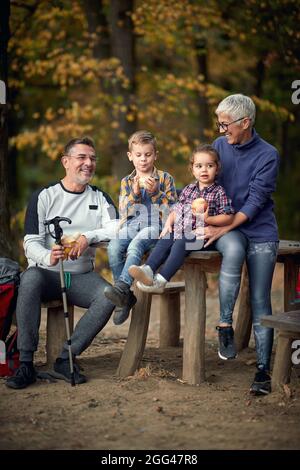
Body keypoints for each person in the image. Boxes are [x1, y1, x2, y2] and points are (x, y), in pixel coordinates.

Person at [6, 137, 118, 389]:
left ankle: (66, 357)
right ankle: (25, 363)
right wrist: (48, 256)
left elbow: (116, 230)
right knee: (30, 278)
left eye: (92, 158)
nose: (88, 163)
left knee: (109, 295)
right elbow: (30, 242)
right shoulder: (44, 196)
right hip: (46, 273)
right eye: (82, 157)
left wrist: (87, 237)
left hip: (80, 276)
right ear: (65, 162)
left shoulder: (100, 197)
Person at [204, 94, 280, 396]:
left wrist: (224, 225)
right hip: (229, 227)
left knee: (261, 299)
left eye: (226, 125)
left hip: (259, 229)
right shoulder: (220, 147)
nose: (222, 131)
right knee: (233, 253)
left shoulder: (268, 154)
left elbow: (255, 201)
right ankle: (225, 327)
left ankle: (262, 371)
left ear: (245, 122)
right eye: (220, 124)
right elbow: (205, 181)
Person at [128, 144, 234, 294]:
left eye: (209, 165)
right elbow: (177, 209)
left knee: (180, 243)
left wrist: (209, 219)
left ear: (217, 168)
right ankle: (148, 269)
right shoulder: (189, 189)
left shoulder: (218, 192)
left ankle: (161, 280)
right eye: (199, 166)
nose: (204, 169)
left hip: (202, 236)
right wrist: (168, 224)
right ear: (192, 169)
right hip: (182, 230)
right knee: (167, 237)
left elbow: (228, 217)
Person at [104, 130, 177, 325]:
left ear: (155, 155)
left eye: (148, 154)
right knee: (113, 247)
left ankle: (121, 289)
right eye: (138, 155)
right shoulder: (126, 181)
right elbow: (124, 209)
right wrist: (135, 193)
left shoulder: (165, 178)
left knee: (135, 245)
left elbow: (173, 209)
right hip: (131, 223)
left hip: (155, 225)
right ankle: (125, 298)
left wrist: (156, 193)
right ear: (130, 156)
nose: (143, 159)